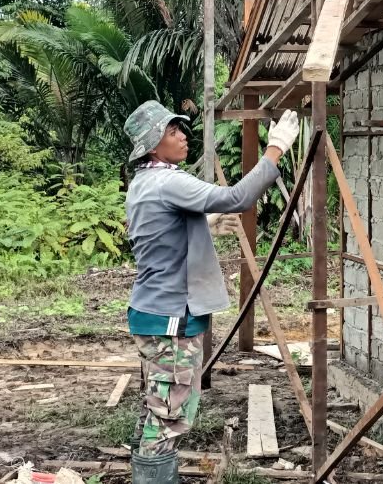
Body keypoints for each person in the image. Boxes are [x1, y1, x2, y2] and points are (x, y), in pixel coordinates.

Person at [122, 100, 299, 483]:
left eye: (181, 129)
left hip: (154, 312)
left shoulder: (145, 182)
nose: (183, 136)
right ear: (154, 145)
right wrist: (276, 149)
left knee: (158, 408)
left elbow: (163, 232)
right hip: (170, 319)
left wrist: (205, 223)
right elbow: (238, 197)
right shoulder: (169, 180)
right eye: (172, 132)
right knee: (168, 416)